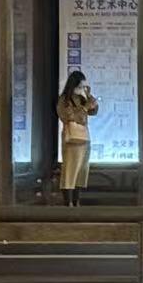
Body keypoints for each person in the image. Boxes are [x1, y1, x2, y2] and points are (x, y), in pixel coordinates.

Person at [56, 70, 99, 206]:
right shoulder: (64, 100)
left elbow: (94, 111)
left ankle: (76, 200)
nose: (81, 89)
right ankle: (68, 201)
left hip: (84, 137)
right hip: (72, 138)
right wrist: (84, 108)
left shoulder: (81, 98)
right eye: (80, 86)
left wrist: (89, 97)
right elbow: (69, 116)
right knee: (70, 169)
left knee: (82, 169)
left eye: (83, 86)